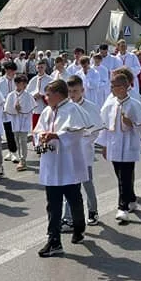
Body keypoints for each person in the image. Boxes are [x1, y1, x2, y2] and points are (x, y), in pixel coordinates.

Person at [32, 79, 91, 257]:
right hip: (51, 163)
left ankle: (79, 227)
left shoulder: (72, 109)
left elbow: (77, 132)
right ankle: (54, 240)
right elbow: (37, 131)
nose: (45, 97)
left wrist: (57, 135)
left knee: (74, 199)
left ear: (58, 95)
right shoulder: (47, 111)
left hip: (68, 164)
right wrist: (41, 138)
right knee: (53, 204)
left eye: (48, 94)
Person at [96, 68, 141, 224]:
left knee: (124, 176)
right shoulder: (110, 104)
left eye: (115, 86)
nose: (112, 89)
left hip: (128, 144)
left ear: (124, 87)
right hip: (113, 145)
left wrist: (130, 123)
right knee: (120, 175)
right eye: (111, 87)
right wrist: (104, 145)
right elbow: (104, 125)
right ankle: (131, 199)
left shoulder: (134, 104)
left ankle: (122, 208)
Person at [62, 74, 104, 229]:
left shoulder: (90, 107)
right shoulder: (65, 107)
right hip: (68, 153)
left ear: (82, 90)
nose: (72, 95)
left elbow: (95, 131)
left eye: (75, 91)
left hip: (84, 152)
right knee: (69, 185)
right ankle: (68, 217)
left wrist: (81, 140)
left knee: (87, 184)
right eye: (70, 91)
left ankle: (93, 211)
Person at [4, 74, 34, 171]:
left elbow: (30, 109)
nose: (23, 85)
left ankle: (23, 159)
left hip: (24, 121)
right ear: (16, 83)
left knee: (23, 141)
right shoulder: (11, 95)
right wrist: (14, 109)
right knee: (16, 140)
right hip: (15, 121)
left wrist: (21, 109)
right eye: (21, 83)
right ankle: (19, 155)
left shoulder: (27, 95)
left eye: (24, 83)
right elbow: (7, 108)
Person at [0, 62, 19, 162]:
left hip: (16, 110)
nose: (12, 73)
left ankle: (15, 152)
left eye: (14, 71)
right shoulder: (0, 82)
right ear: (6, 70)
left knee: (15, 131)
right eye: (10, 70)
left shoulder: (17, 81)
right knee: (8, 131)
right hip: (5, 111)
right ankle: (12, 152)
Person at [28, 59, 53, 130]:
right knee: (36, 129)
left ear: (45, 67)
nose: (40, 69)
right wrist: (34, 96)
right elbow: (28, 93)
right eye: (38, 67)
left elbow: (53, 93)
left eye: (41, 67)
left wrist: (42, 96)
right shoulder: (33, 80)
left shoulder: (50, 79)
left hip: (46, 107)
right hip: (36, 109)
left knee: (46, 128)